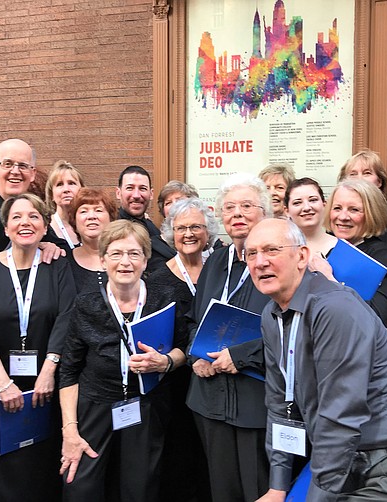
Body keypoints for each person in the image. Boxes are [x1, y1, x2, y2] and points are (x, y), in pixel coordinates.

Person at [245, 218, 387, 502]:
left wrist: (318, 497)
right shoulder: (273, 316)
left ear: (302, 256)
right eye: (251, 253)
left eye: (272, 250)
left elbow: (341, 413)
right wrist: (277, 487)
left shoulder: (334, 308)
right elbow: (281, 404)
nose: (260, 262)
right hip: (355, 464)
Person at [58, 220, 188, 502]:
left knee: (138, 490)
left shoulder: (165, 297)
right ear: (103, 260)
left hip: (145, 407)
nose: (125, 262)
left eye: (134, 253)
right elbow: (69, 371)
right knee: (81, 488)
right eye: (116, 254)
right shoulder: (86, 303)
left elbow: (184, 348)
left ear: (145, 260)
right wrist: (70, 430)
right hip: (95, 406)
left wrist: (165, 362)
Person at [0, 193, 76, 502]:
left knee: (39, 472)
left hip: (45, 389)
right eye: (17, 217)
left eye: (34, 216)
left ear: (44, 225)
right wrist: (3, 383)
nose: (25, 222)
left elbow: (66, 318)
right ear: (6, 227)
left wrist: (49, 371)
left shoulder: (58, 266)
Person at [186, 173, 272, 502]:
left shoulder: (273, 261)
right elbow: (196, 317)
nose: (237, 213)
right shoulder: (217, 260)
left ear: (265, 212)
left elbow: (290, 328)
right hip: (210, 398)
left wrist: (241, 356)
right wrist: (196, 356)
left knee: (258, 489)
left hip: (255, 400)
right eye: (229, 207)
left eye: (247, 206)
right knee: (221, 489)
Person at [148, 198, 219, 502]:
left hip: (216, 374)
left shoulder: (219, 270)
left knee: (212, 457)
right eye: (181, 228)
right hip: (174, 382)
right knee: (178, 455)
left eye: (196, 227)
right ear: (170, 233)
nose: (188, 234)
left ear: (208, 232)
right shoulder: (156, 278)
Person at [319, 179, 387, 328]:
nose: (343, 216)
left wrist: (328, 278)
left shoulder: (382, 256)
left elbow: (378, 317)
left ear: (372, 214)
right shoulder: (333, 252)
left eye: (354, 210)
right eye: (337, 208)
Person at [339, 150, 387, 270]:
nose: (359, 179)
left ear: (379, 181)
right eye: (353, 174)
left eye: (367, 173)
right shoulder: (337, 221)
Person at [66, 187, 118, 294]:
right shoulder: (63, 262)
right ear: (74, 221)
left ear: (111, 219)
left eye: (98, 210)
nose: (91, 216)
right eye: (84, 211)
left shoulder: (125, 259)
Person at [148, 180, 200, 272]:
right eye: (168, 203)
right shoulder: (153, 247)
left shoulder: (205, 241)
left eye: (179, 200)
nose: (174, 206)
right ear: (163, 211)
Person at [283, 177, 337, 257]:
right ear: (287, 211)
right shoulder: (279, 248)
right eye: (297, 203)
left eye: (313, 200)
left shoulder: (342, 248)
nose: (307, 208)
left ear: (324, 205)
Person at [45, 160, 86, 251]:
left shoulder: (92, 224)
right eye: (59, 184)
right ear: (52, 194)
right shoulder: (43, 230)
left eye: (71, 183)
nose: (66, 189)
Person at [116, 165, 160, 238]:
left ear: (151, 194)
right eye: (129, 188)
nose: (136, 195)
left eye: (142, 188)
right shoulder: (109, 228)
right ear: (118, 193)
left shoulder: (154, 231)